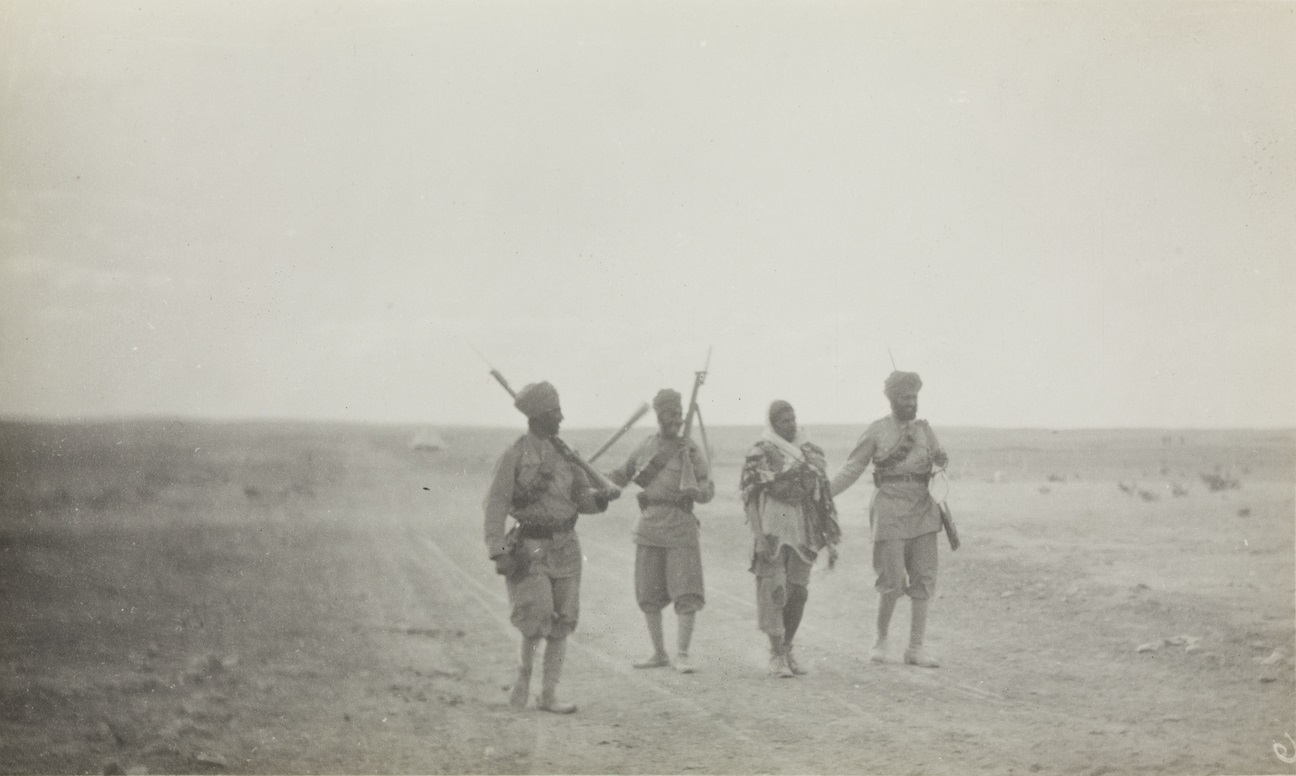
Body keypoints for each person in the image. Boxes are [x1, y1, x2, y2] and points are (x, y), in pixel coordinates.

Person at [482, 381, 620, 713]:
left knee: (563, 621)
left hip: (567, 547)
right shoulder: (514, 455)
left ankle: (549, 694)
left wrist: (601, 498)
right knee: (535, 618)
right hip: (531, 547)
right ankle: (522, 682)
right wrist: (497, 549)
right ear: (539, 416)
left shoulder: (567, 455)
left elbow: (581, 502)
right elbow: (495, 505)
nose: (561, 417)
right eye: (555, 412)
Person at [830, 371, 949, 668]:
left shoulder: (924, 431)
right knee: (892, 580)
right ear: (893, 399)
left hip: (923, 508)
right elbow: (851, 469)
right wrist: (824, 493)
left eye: (915, 398)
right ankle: (880, 640)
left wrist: (941, 461)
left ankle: (915, 648)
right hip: (890, 509)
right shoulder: (876, 431)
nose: (912, 403)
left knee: (923, 579)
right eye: (906, 398)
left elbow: (938, 460)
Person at [606, 388, 715, 674]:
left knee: (686, 592)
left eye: (679, 414)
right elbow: (620, 475)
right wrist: (592, 478)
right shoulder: (645, 447)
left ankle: (683, 654)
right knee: (648, 593)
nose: (675, 419)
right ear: (658, 415)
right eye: (670, 414)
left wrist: (696, 491)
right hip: (650, 527)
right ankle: (658, 653)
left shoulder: (690, 450)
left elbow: (707, 489)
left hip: (681, 527)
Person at [739, 400, 841, 678]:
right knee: (775, 590)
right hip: (773, 528)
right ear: (773, 423)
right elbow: (750, 497)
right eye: (783, 420)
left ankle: (787, 648)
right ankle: (775, 654)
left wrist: (828, 535)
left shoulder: (811, 454)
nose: (790, 424)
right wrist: (759, 536)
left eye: (792, 418)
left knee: (798, 592)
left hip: (803, 529)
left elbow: (823, 497)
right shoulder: (759, 453)